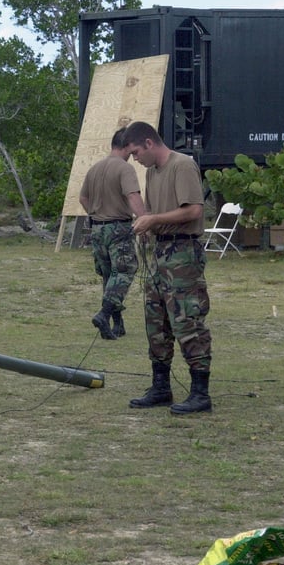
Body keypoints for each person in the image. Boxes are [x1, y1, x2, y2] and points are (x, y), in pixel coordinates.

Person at [121, 121, 213, 415]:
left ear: (149, 143)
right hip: (159, 252)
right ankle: (161, 386)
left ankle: (200, 392)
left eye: (136, 152)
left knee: (186, 319)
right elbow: (155, 213)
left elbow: (194, 210)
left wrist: (154, 220)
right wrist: (147, 224)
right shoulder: (151, 172)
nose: (135, 159)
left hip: (183, 253)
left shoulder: (182, 165)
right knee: (156, 321)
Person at [79, 129, 146, 340]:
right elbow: (133, 196)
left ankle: (117, 325)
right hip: (118, 227)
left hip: (97, 228)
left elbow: (83, 198)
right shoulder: (124, 169)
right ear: (127, 145)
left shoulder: (95, 168)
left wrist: (95, 213)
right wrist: (146, 221)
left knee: (109, 276)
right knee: (125, 271)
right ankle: (104, 314)